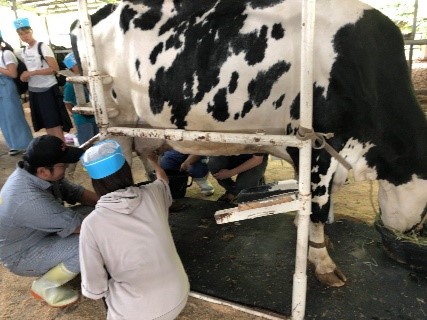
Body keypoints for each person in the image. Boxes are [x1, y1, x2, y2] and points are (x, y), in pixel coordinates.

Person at [80, 140, 189, 320]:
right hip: (179, 295)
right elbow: (163, 179)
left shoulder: (92, 224)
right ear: (126, 171)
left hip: (136, 313)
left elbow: (95, 289)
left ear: (95, 182)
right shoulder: (153, 193)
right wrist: (152, 161)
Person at [0, 135, 99, 307]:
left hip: (38, 233)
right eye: (63, 165)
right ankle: (45, 286)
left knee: (94, 213)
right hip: (22, 254)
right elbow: (83, 227)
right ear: (43, 171)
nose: (67, 167)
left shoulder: (39, 175)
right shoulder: (31, 201)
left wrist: (110, 202)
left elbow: (75, 193)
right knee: (87, 243)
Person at [14, 17, 72, 141]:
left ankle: (61, 150)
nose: (24, 36)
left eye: (26, 32)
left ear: (31, 31)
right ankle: (54, 150)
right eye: (21, 34)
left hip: (48, 89)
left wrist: (31, 73)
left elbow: (54, 68)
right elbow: (28, 71)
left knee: (54, 123)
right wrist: (25, 76)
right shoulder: (24, 51)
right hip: (34, 90)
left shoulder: (42, 46)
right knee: (46, 124)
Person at [0, 30, 33, 155]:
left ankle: (25, 143)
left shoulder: (7, 54)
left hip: (7, 85)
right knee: (3, 118)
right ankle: (13, 144)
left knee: (13, 115)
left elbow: (13, 73)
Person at [62, 52, 98, 146]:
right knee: (87, 143)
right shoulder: (70, 83)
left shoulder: (89, 77)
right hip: (82, 119)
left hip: (95, 116)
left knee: (98, 140)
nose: (82, 65)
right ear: (72, 67)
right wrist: (75, 113)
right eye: (78, 64)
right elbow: (67, 102)